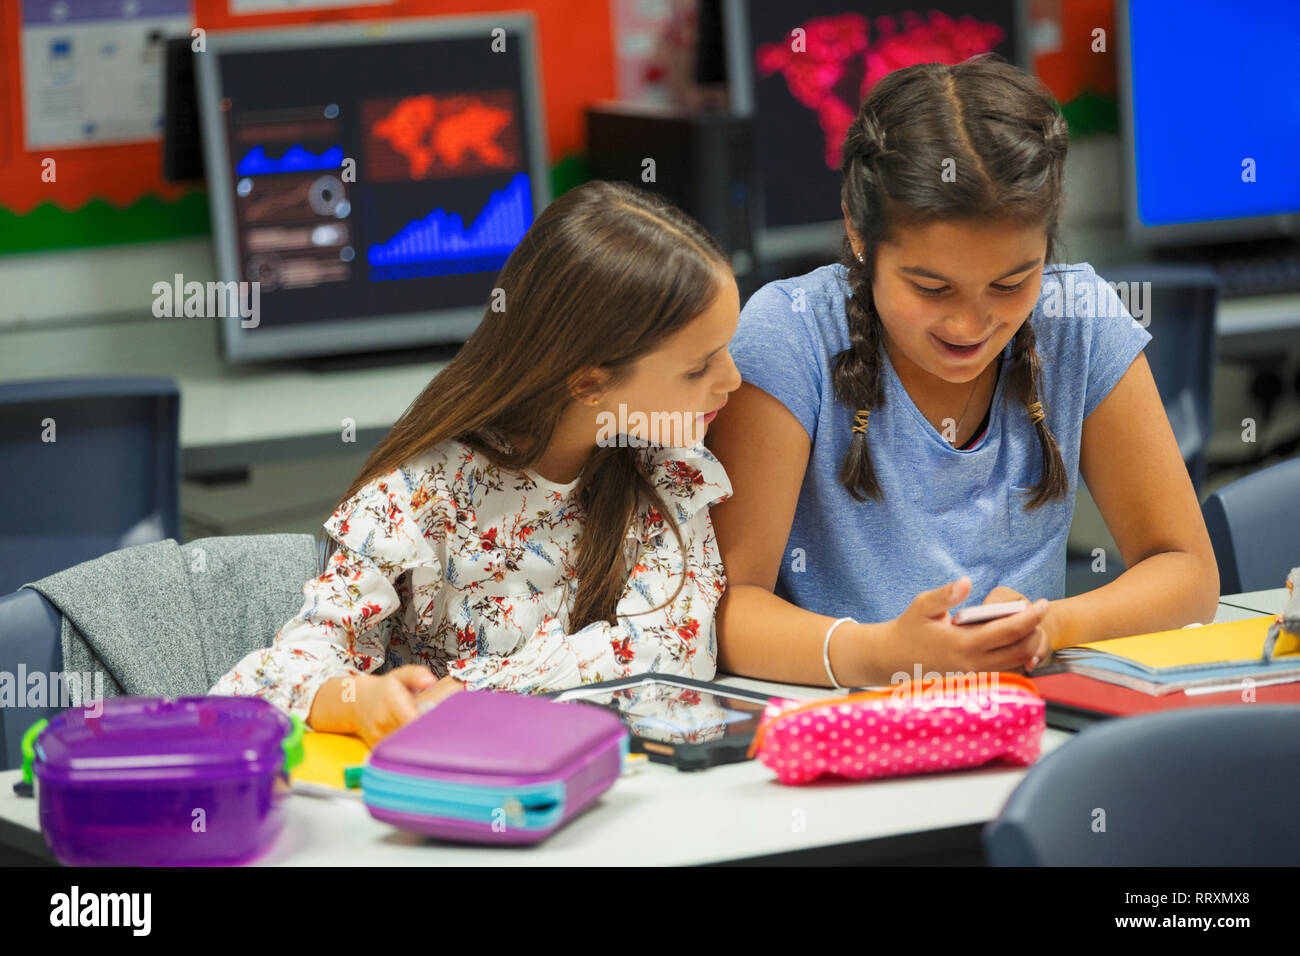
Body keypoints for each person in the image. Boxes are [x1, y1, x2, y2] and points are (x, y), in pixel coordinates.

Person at [706, 56, 1219, 690]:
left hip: (1024, 717)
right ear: (859, 232)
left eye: (1011, 283)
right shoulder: (789, 333)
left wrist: (1050, 625)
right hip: (844, 718)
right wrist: (882, 653)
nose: (972, 325)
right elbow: (725, 610)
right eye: (931, 287)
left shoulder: (1078, 316)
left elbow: (1187, 571)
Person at [211, 181, 741, 745]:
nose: (733, 380)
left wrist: (461, 696)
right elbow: (266, 680)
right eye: (697, 368)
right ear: (589, 384)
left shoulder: (666, 472)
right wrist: (353, 697)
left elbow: (671, 654)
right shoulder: (418, 495)